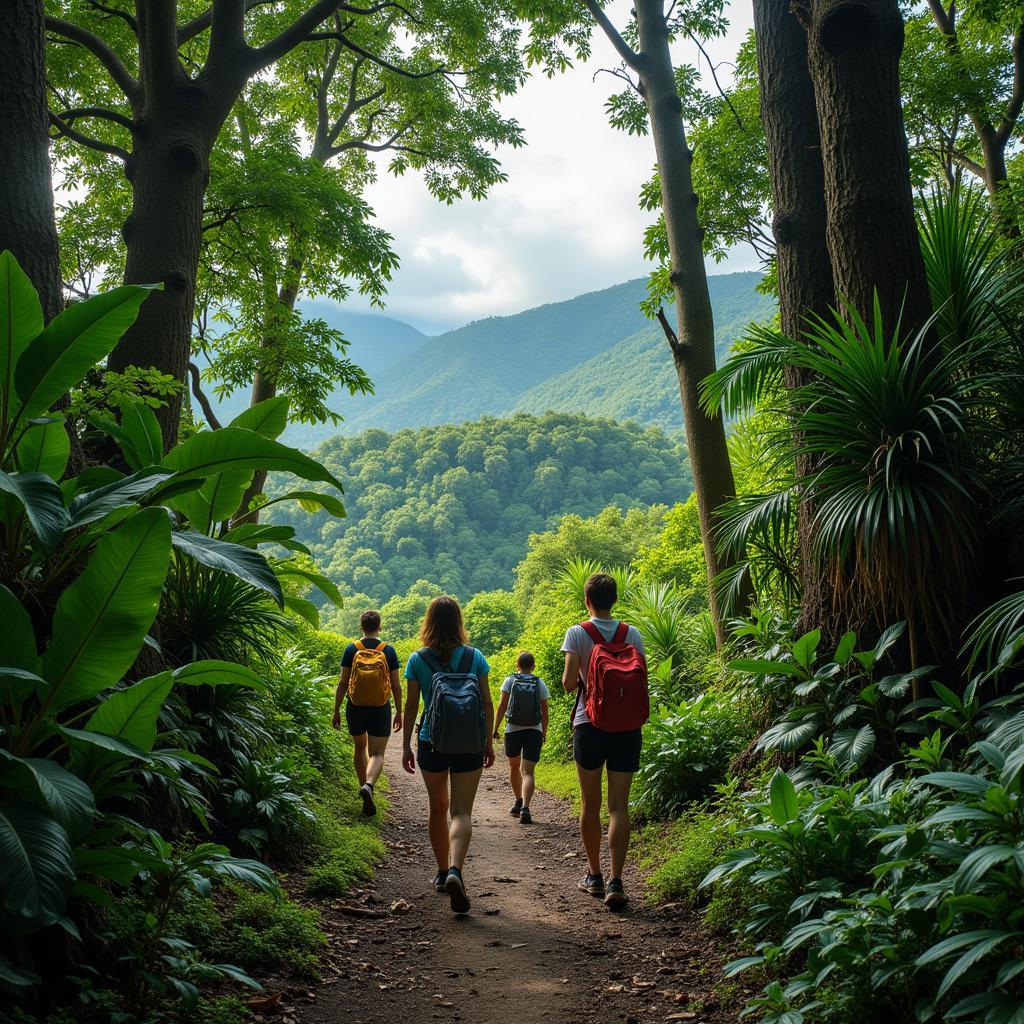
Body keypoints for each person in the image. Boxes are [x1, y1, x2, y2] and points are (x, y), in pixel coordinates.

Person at [402, 596, 494, 914]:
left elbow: (412, 706)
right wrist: (488, 741)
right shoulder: (475, 657)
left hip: (432, 741)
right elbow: (486, 702)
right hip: (469, 742)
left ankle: (442, 873)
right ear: (459, 622)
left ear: (428, 622)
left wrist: (405, 746)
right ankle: (456, 869)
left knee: (437, 808)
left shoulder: (417, 660)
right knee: (461, 812)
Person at [561, 573, 646, 909]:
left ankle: (594, 876)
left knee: (590, 805)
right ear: (615, 599)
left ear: (587, 600)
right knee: (619, 807)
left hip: (589, 725)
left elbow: (569, 684)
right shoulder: (633, 633)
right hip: (627, 728)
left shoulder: (578, 633)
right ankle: (617, 881)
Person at [332, 610, 402, 817]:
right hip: (380, 708)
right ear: (379, 626)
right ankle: (370, 786)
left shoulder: (351, 649)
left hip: (355, 706)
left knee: (359, 747)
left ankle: (364, 787)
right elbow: (396, 686)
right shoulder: (388, 651)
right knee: (377, 754)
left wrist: (336, 710)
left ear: (361, 627)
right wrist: (398, 711)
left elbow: (343, 683)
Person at [492, 650, 549, 825]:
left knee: (514, 766)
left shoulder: (510, 680)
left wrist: (495, 728)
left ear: (517, 665)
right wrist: (543, 732)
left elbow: (502, 706)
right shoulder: (539, 683)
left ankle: (517, 801)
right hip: (534, 731)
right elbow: (545, 712)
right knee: (529, 772)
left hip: (513, 730)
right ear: (533, 666)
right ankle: (525, 807)